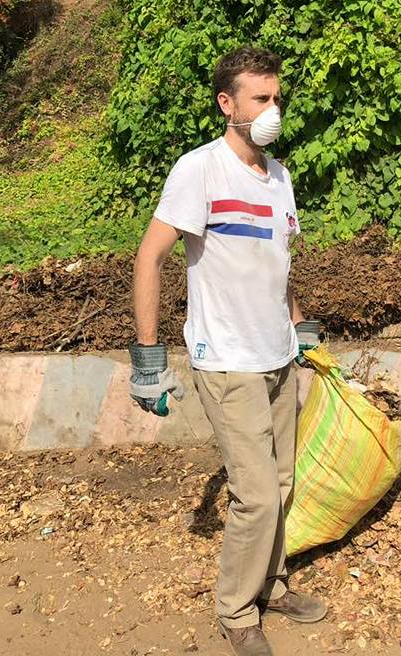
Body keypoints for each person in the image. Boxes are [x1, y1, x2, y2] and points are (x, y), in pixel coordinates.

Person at [129, 46, 326, 656]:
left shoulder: (281, 176)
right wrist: (147, 359)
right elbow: (149, 258)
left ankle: (272, 583)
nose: (273, 110)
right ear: (228, 103)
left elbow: (278, 264)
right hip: (227, 359)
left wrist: (301, 329)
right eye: (260, 99)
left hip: (276, 356)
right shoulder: (200, 170)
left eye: (277, 98)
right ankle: (237, 611)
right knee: (257, 493)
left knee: (285, 482)